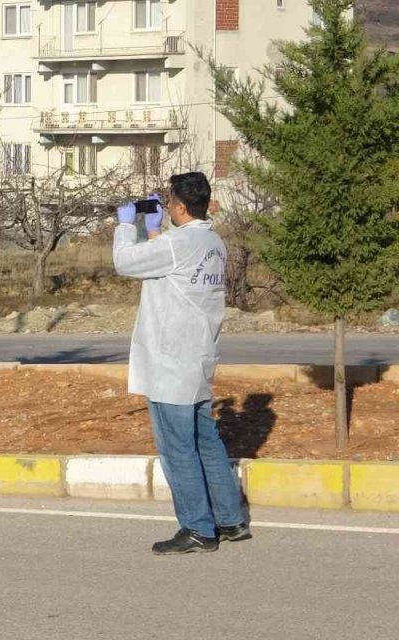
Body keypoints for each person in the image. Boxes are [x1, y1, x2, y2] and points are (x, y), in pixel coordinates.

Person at [113, 172, 250, 555]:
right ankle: (230, 520)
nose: (166, 205)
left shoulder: (180, 243)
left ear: (180, 207)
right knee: (206, 440)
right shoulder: (211, 241)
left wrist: (127, 225)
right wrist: (156, 233)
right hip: (197, 356)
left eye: (169, 201)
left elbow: (125, 262)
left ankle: (197, 529)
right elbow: (171, 266)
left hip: (171, 362)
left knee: (177, 448)